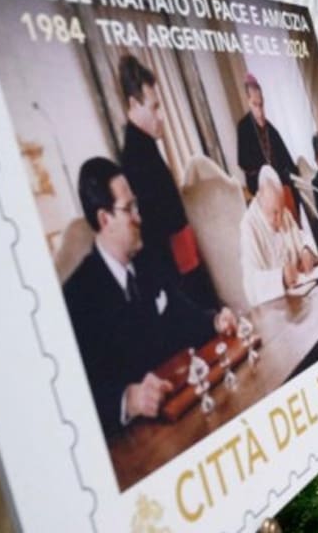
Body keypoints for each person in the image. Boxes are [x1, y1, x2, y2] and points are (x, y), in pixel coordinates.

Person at [62, 157, 236, 435]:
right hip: (138, 444)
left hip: (184, 410)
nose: (139, 217)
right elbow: (77, 395)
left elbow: (183, 315)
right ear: (105, 219)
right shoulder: (78, 296)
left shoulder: (148, 259)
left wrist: (215, 321)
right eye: (129, 209)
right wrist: (128, 400)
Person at [117, 55, 218, 308]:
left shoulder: (144, 146)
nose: (160, 116)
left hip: (183, 263)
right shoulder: (135, 157)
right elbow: (155, 235)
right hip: (177, 275)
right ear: (133, 104)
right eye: (154, 107)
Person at [240, 165, 318, 306]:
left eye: (282, 210)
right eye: (275, 213)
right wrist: (281, 277)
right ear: (259, 199)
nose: (280, 218)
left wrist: (306, 251)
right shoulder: (249, 226)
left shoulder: (282, 212)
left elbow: (302, 237)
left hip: (301, 298)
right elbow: (251, 286)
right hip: (275, 309)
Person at [236, 73, 299, 215]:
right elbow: (244, 162)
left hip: (281, 188)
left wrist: (290, 174)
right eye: (255, 105)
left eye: (261, 104)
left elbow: (287, 161)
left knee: (290, 188)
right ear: (248, 102)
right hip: (262, 189)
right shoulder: (243, 127)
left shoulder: (271, 129)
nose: (260, 110)